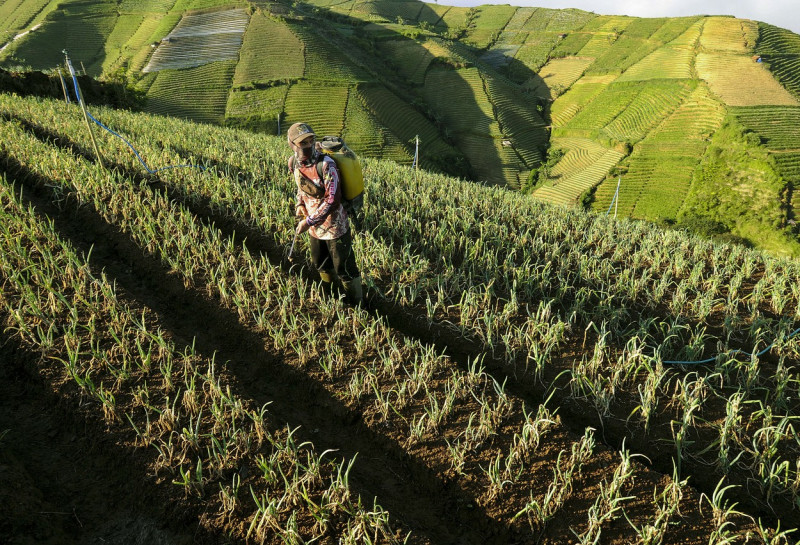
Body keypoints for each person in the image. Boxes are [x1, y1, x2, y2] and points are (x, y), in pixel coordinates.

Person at [287, 122, 362, 304]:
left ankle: (357, 304)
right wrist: (299, 205)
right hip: (315, 229)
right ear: (293, 145)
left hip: (335, 228)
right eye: (302, 143)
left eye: (310, 141)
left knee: (344, 269)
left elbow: (332, 200)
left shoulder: (326, 165)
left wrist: (309, 221)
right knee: (321, 264)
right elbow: (301, 187)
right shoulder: (295, 163)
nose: (308, 146)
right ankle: (332, 296)